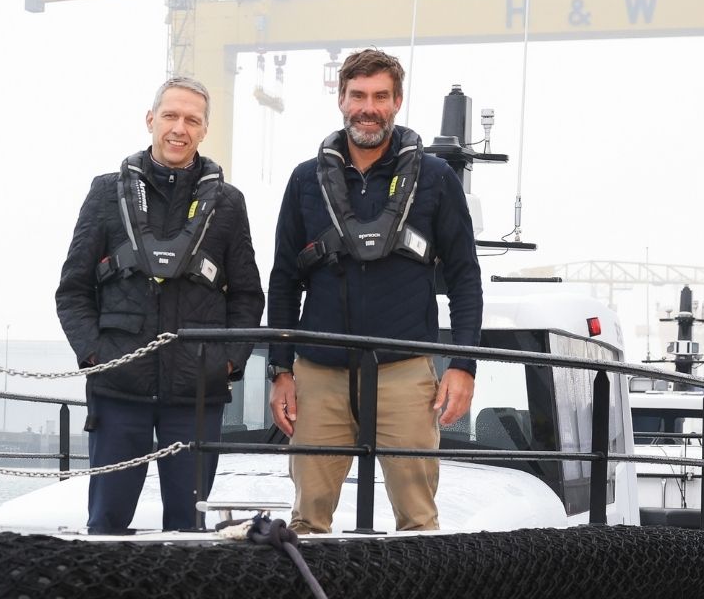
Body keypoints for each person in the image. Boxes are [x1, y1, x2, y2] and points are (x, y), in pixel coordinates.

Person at [265, 48, 482, 534]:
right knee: (308, 516)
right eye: (358, 95)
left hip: (405, 372)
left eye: (380, 96)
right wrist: (280, 370)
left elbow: (466, 276)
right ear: (341, 100)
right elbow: (284, 279)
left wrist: (463, 366)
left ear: (398, 101)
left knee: (418, 517)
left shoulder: (436, 179)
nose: (369, 107)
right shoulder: (304, 181)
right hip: (319, 373)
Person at [56, 76, 264, 534]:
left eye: (192, 120)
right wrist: (95, 355)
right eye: (170, 116)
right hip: (119, 391)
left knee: (189, 528)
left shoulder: (228, 204)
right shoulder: (106, 193)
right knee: (106, 524)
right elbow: (72, 289)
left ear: (204, 130)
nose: (179, 128)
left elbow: (248, 295)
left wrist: (227, 362)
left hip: (195, 397)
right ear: (150, 120)